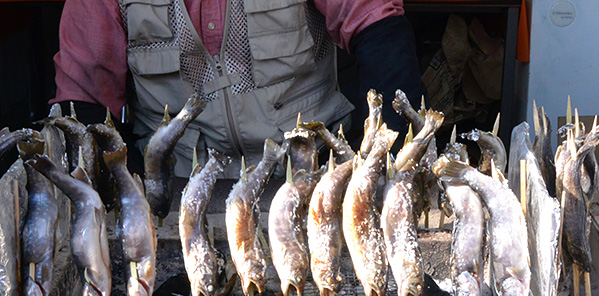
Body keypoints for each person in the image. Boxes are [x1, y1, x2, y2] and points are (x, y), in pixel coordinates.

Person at [52, 0, 428, 178]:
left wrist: (389, 161)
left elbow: (375, 27)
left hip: (313, 180)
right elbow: (84, 99)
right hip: (175, 189)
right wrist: (125, 190)